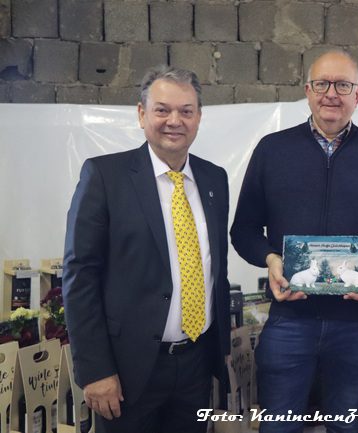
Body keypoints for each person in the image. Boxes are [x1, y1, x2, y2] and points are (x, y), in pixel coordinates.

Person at [230, 50, 358, 433]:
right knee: (278, 426)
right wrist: (271, 258)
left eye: (343, 85)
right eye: (322, 84)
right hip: (289, 319)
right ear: (307, 91)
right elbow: (243, 229)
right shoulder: (272, 150)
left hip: (357, 322)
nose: (332, 93)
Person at [62, 65, 231, 433]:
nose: (175, 120)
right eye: (162, 109)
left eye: (186, 111)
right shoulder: (105, 176)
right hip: (126, 371)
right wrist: (96, 370)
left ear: (199, 117)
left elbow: (215, 268)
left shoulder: (214, 178)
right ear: (141, 114)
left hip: (195, 365)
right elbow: (80, 276)